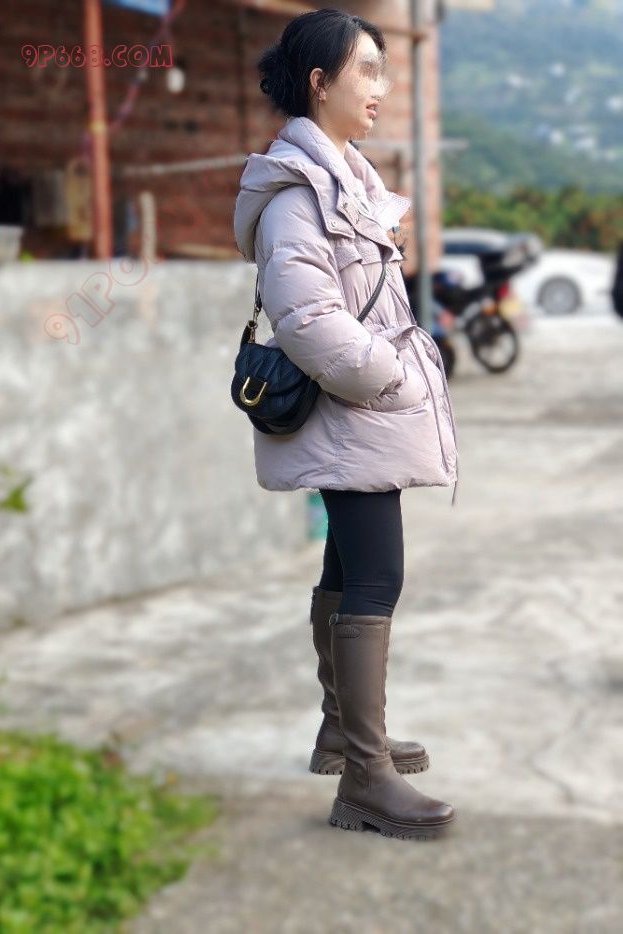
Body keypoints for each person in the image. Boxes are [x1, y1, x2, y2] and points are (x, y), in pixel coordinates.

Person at [233, 9, 458, 841]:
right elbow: (308, 319)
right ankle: (366, 779)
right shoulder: (298, 195)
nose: (381, 89)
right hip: (353, 411)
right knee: (376, 578)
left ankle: (343, 734)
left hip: (357, 414)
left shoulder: (345, 180)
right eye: (366, 70)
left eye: (383, 71)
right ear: (318, 82)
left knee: (345, 565)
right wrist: (389, 377)